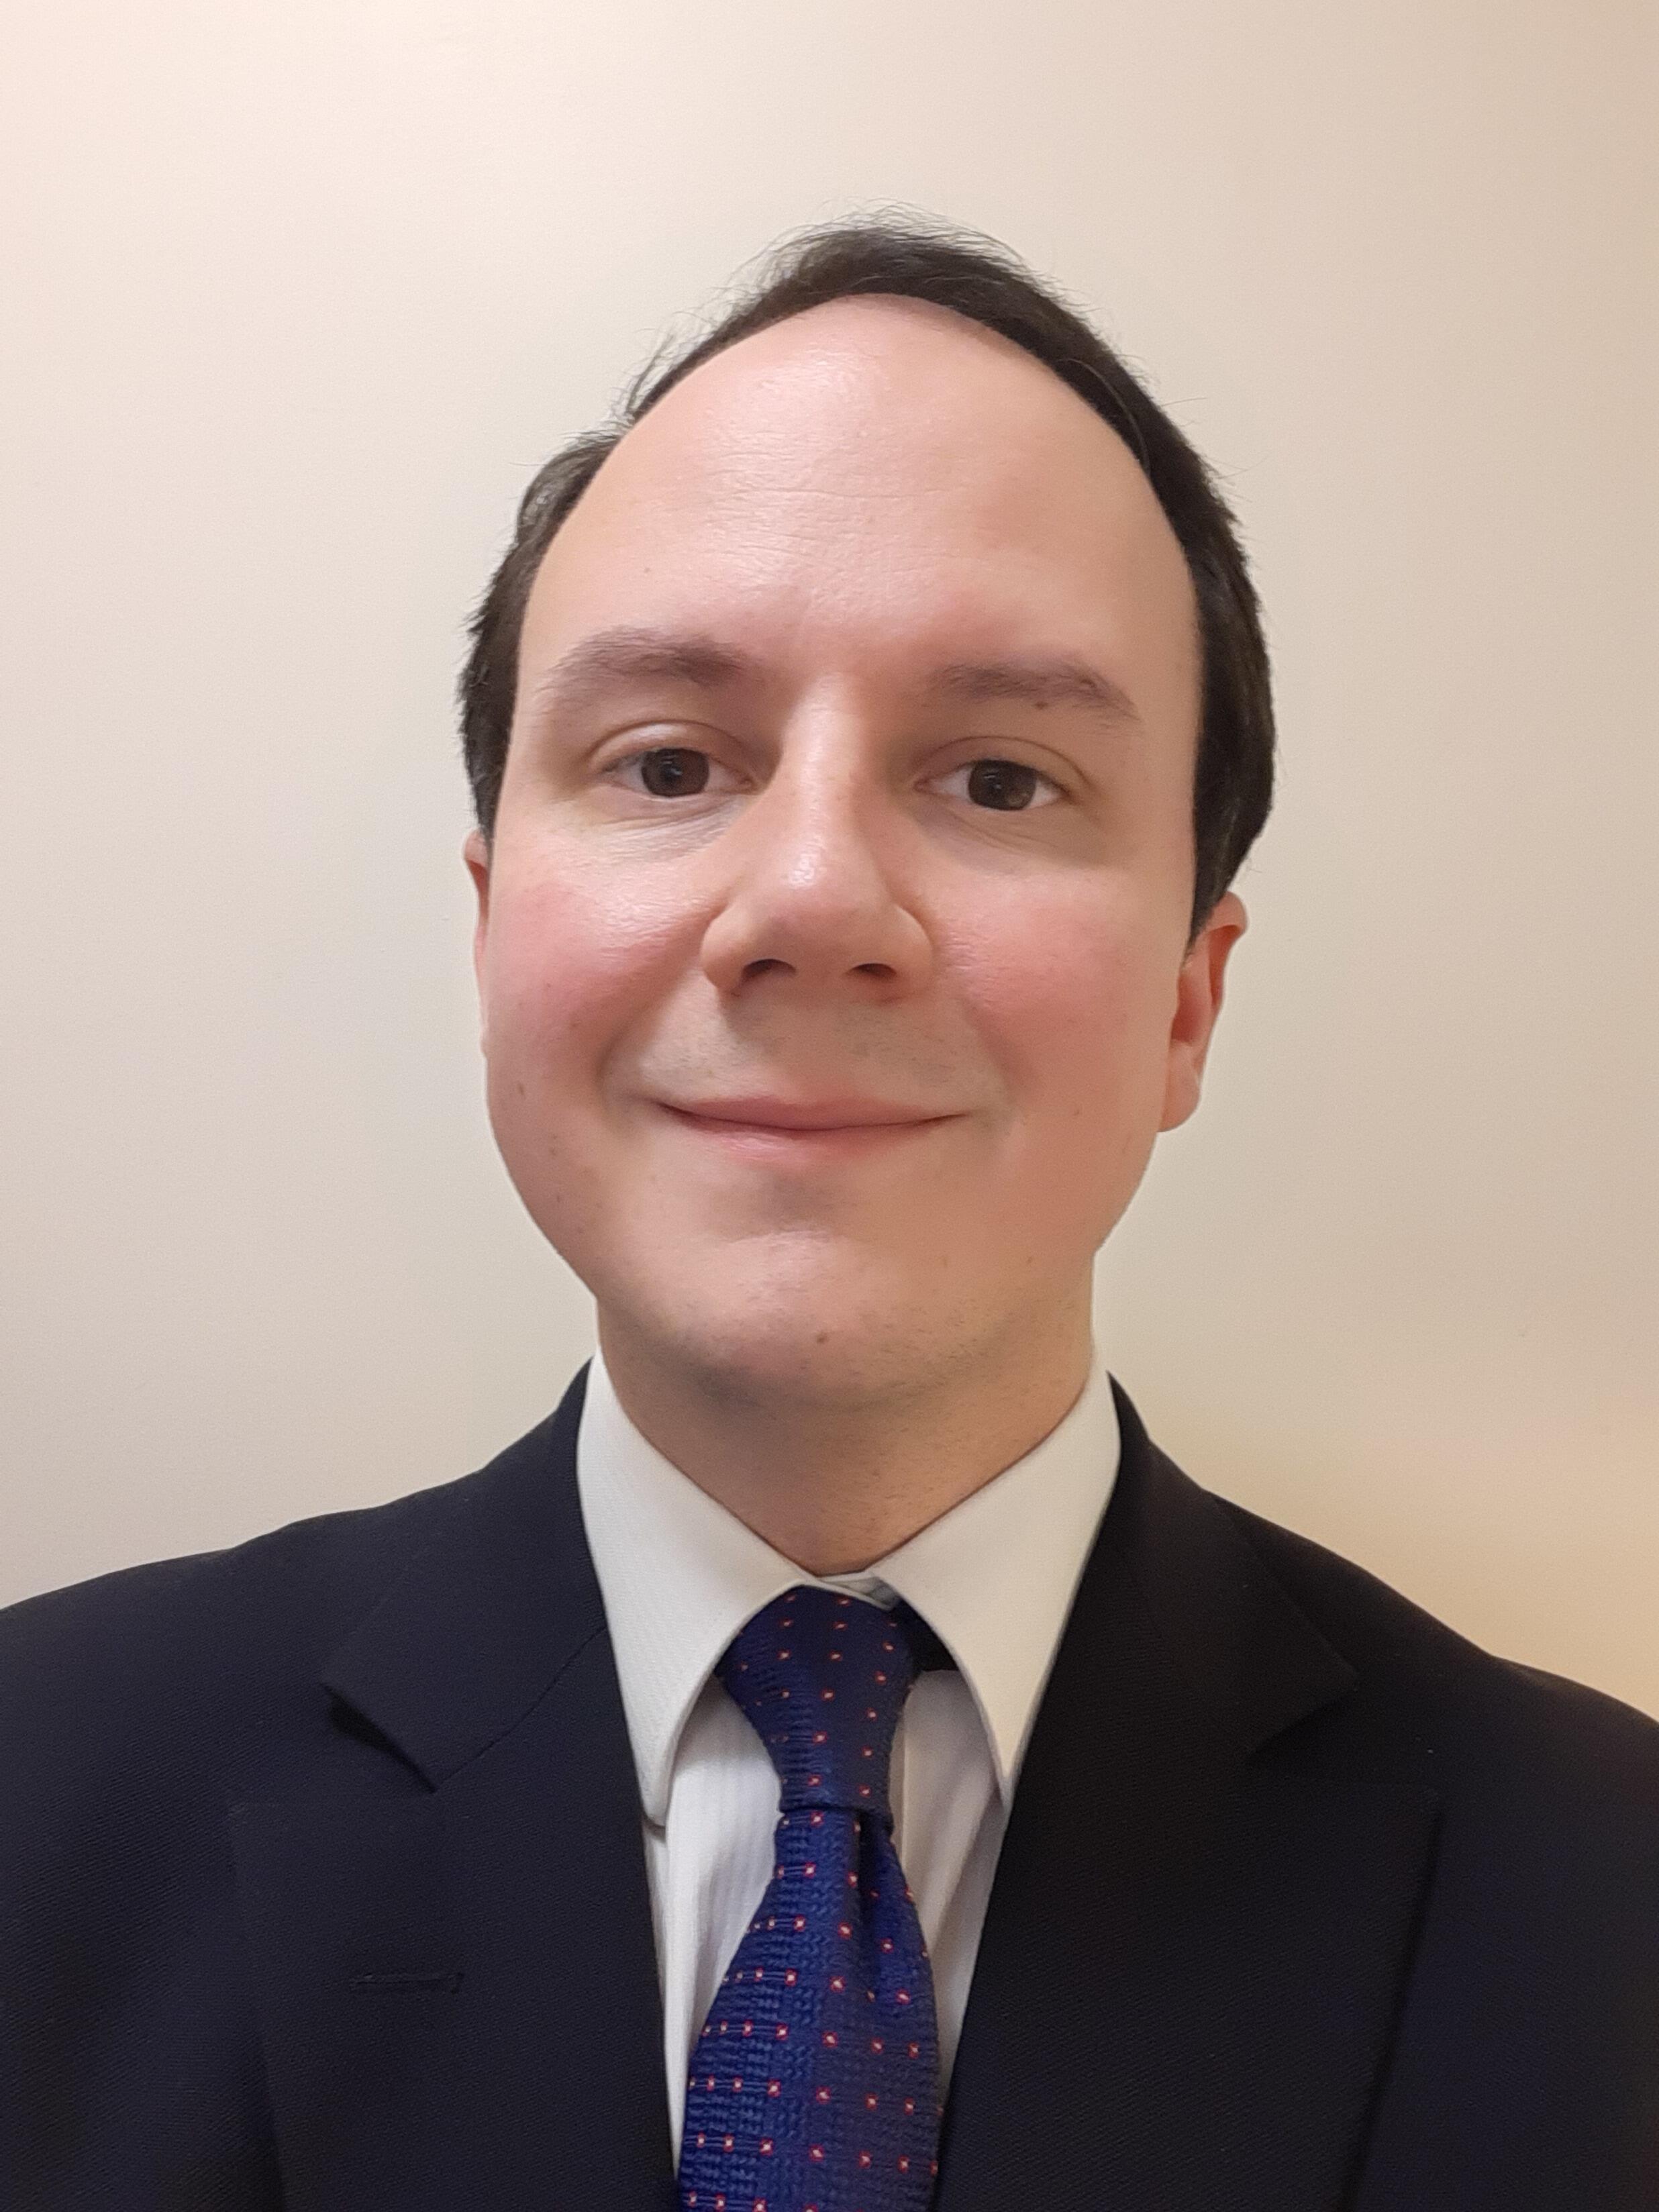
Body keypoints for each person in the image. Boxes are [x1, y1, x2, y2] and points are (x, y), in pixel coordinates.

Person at [3, 218, 1655, 2212]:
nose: (809, 903)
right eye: (668, 762)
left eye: (1002, 781)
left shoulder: (1605, 1900)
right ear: (492, 936)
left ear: (1186, 1003)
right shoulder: (39, 1793)